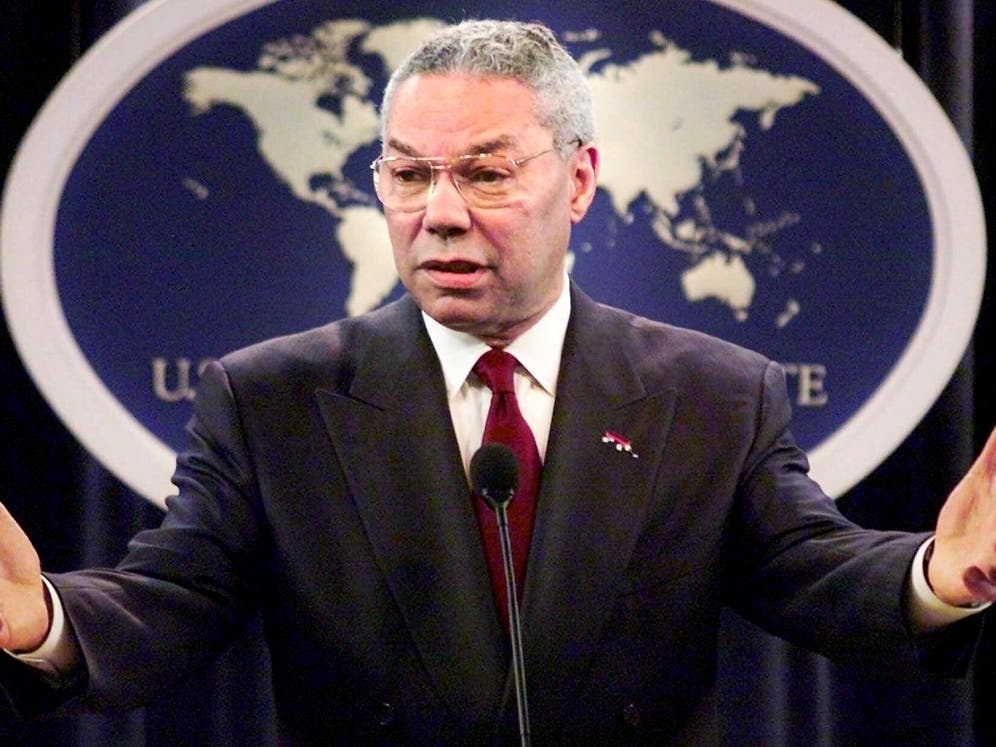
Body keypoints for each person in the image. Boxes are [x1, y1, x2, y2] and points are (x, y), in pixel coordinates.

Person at [1, 18, 995, 744]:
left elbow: (815, 571)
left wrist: (939, 575)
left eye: (484, 172)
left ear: (579, 181)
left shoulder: (713, 395)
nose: (438, 213)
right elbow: (169, 598)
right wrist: (41, 620)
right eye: (407, 173)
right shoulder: (272, 401)